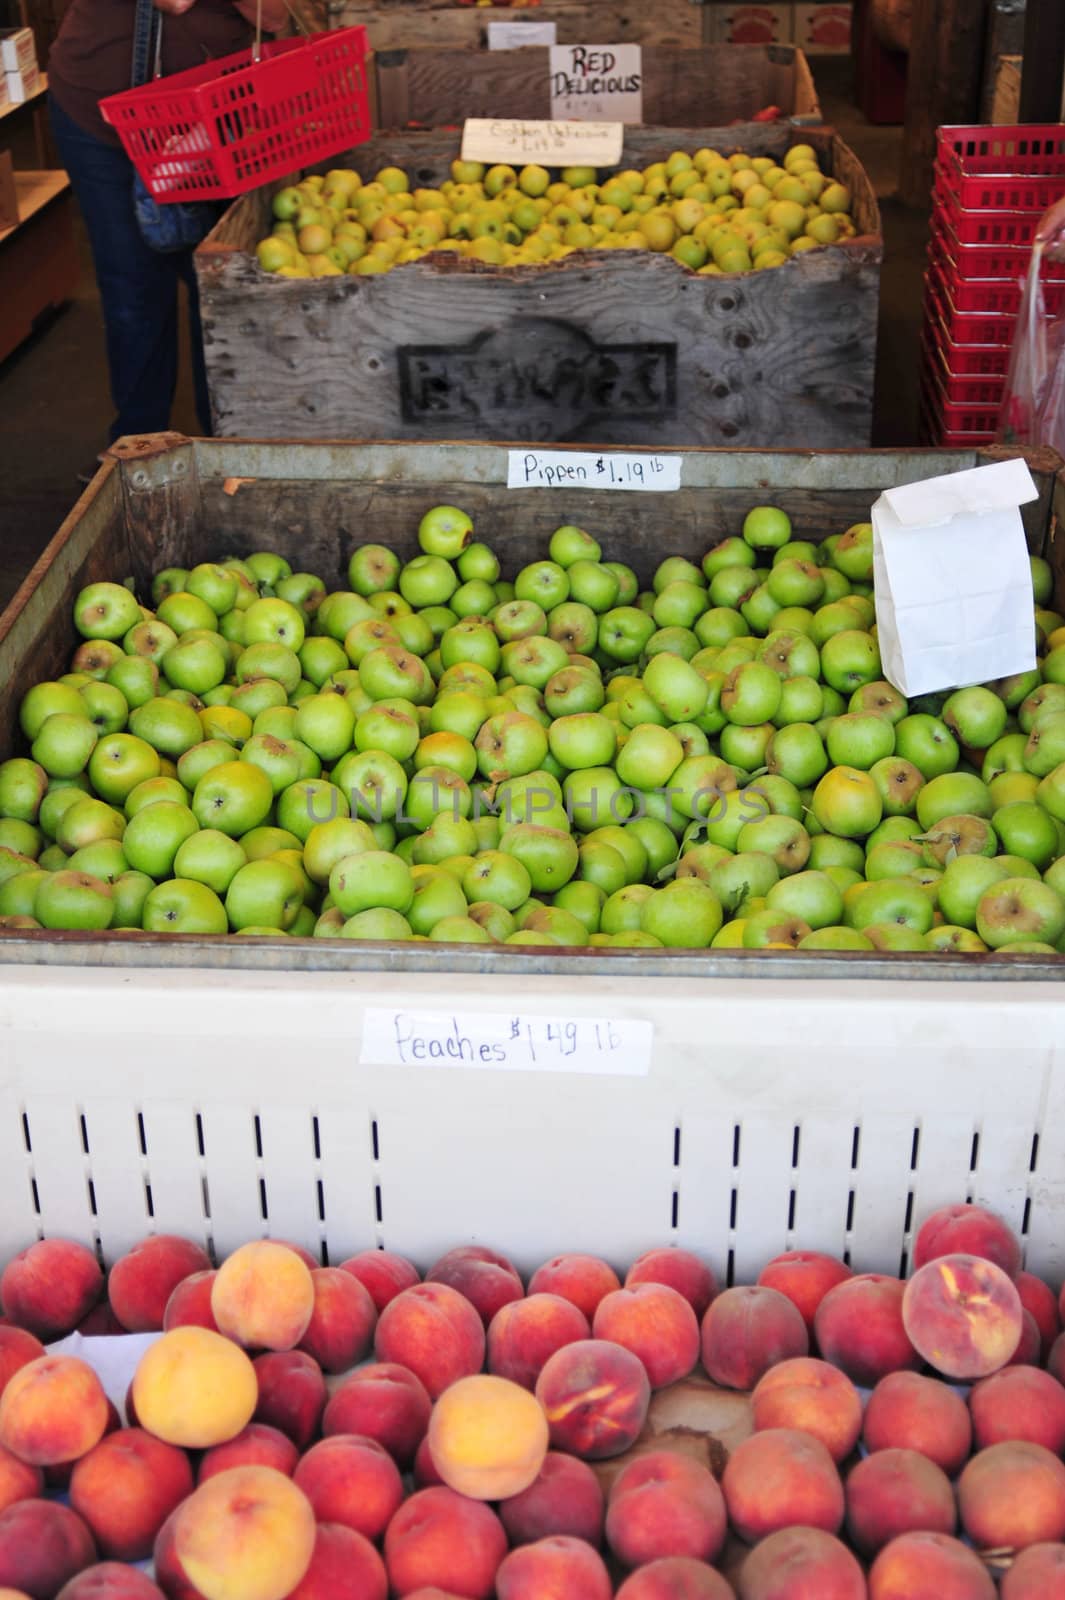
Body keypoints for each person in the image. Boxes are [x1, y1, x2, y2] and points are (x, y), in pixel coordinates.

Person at [49, 0, 288, 464]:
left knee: (214, 287)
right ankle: (141, 454)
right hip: (100, 114)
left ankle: (223, 450)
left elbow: (273, 15)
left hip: (212, 118)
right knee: (133, 292)